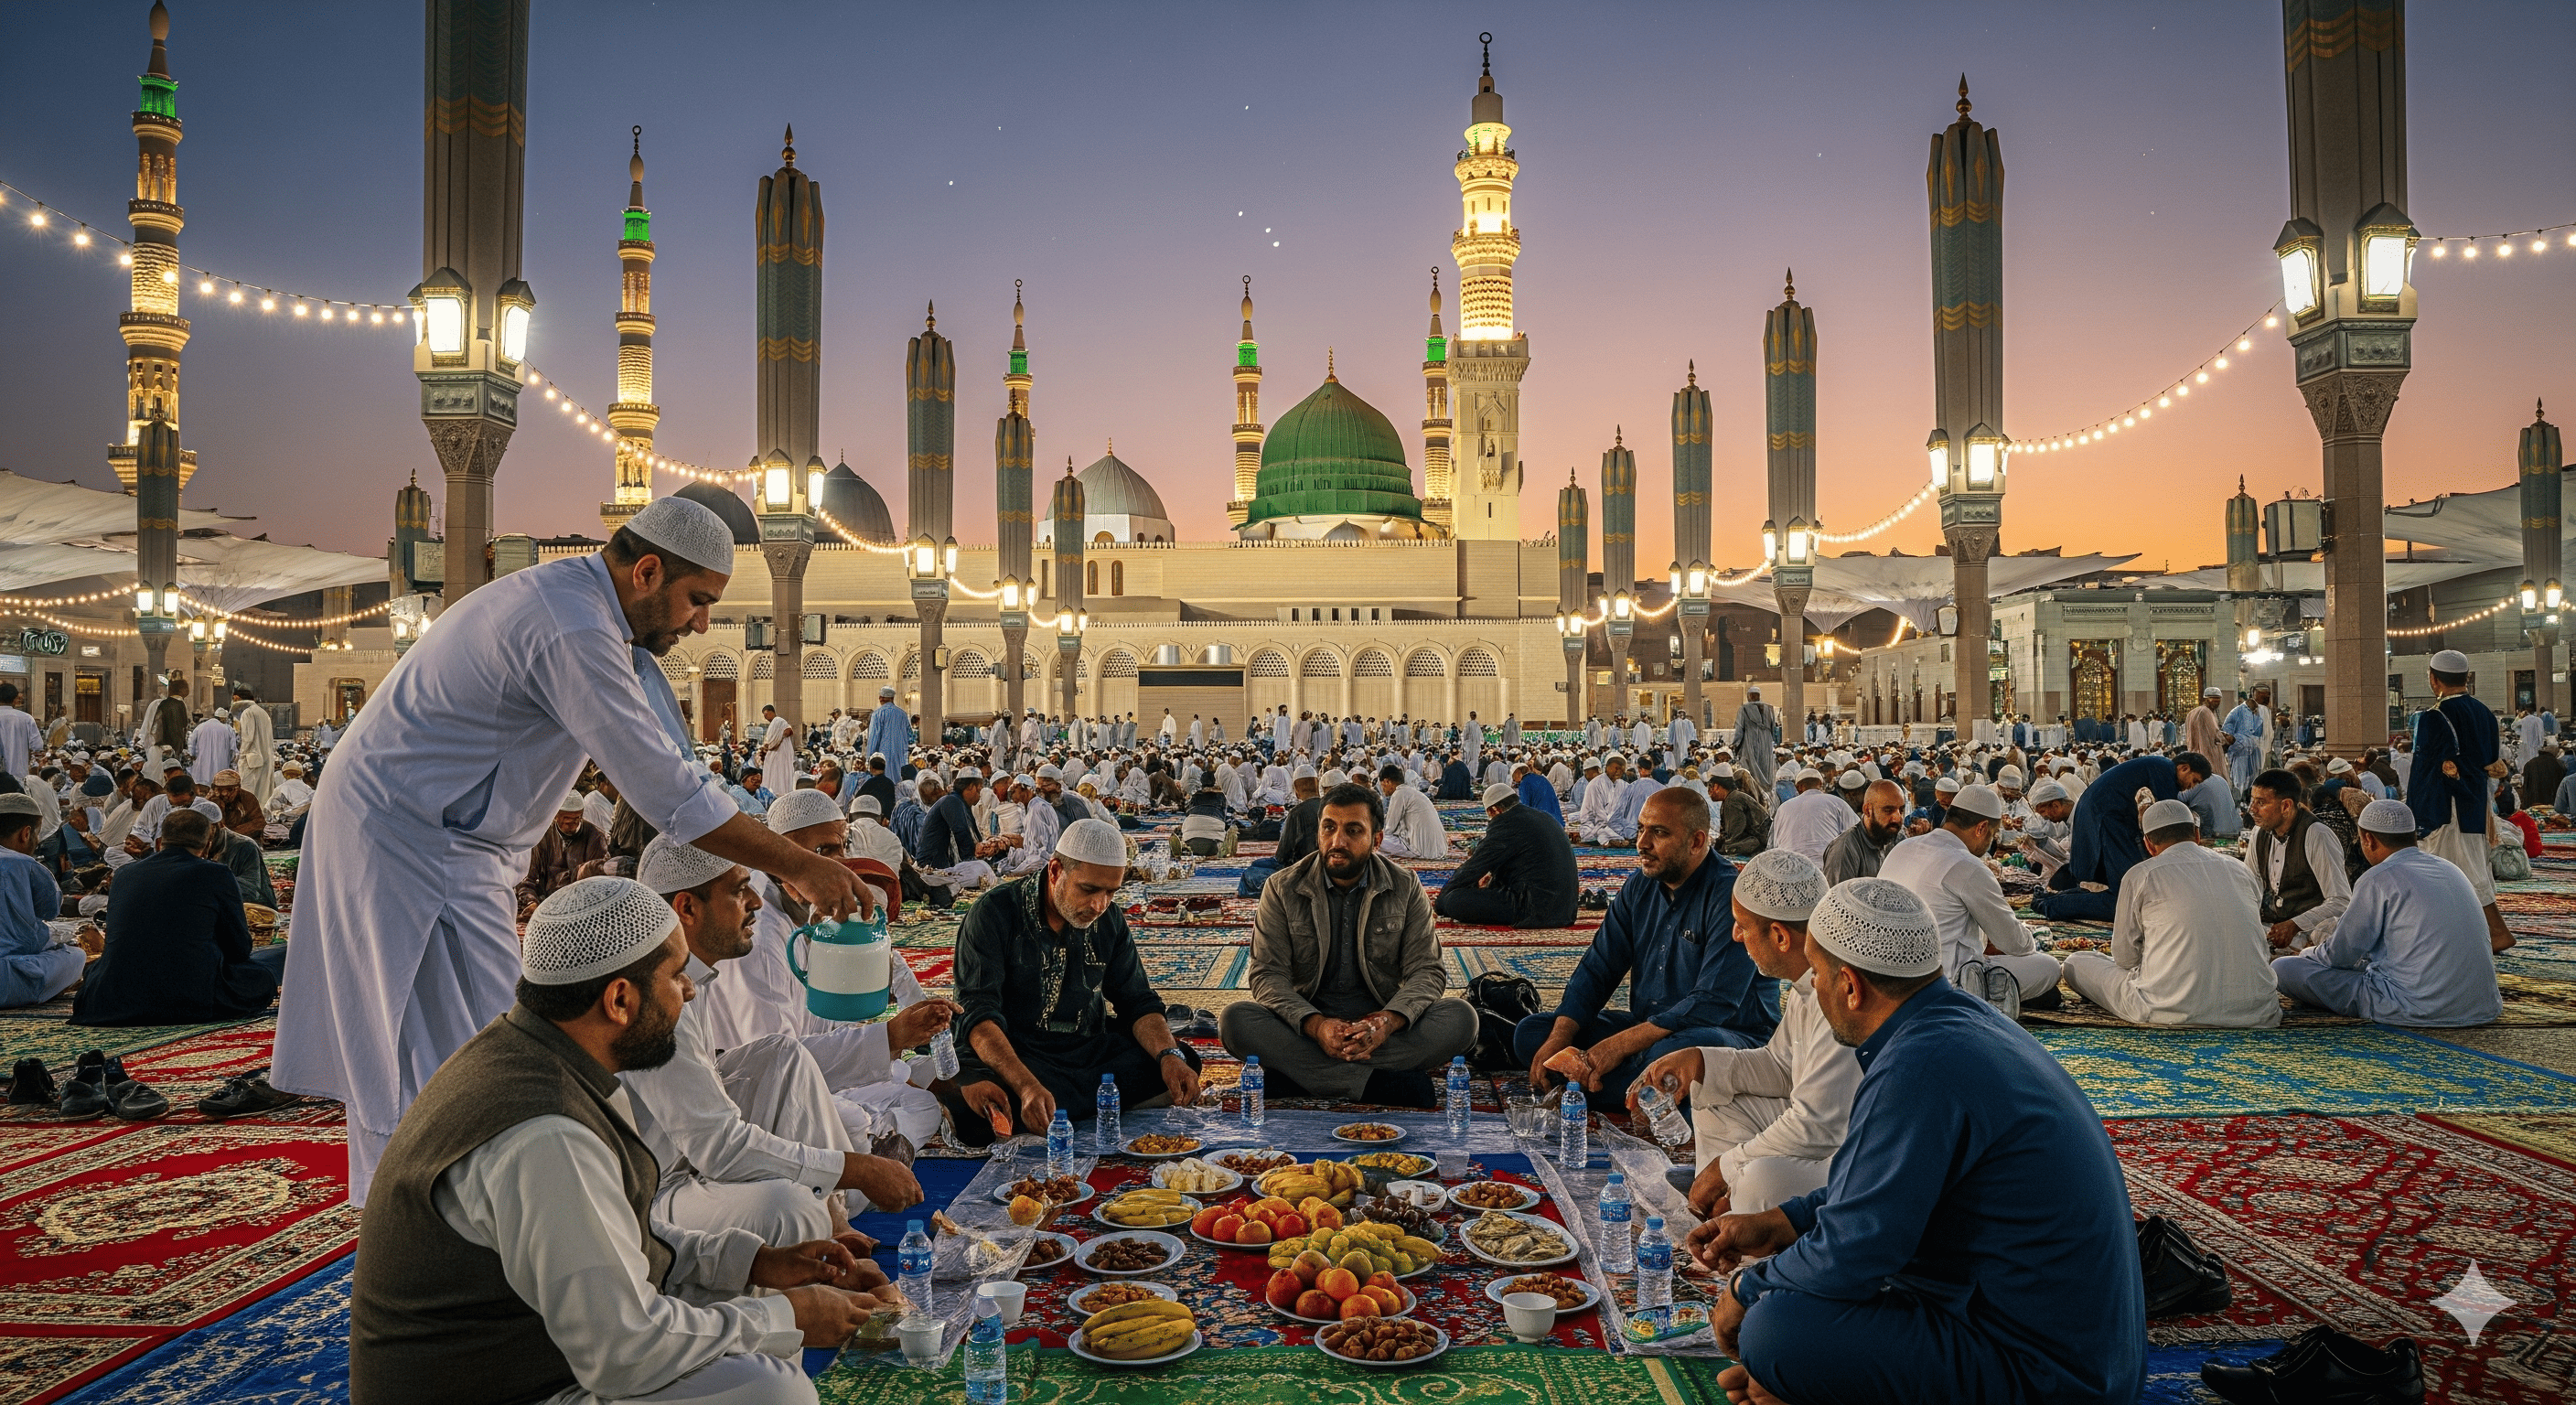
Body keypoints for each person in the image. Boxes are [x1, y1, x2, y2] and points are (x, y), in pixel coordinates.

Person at [274, 497, 866, 1206]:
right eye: (698, 601)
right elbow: (665, 790)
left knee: (496, 1048)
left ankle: (488, 1219)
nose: (704, 623)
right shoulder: (570, 626)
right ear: (647, 572)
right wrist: (796, 863)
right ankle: (432, 1228)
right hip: (407, 841)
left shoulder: (582, 613)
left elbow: (674, 767)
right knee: (439, 1056)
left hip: (455, 847)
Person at [349, 878, 891, 1405]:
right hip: (511, 1387)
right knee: (768, 1392)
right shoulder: (545, 1134)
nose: (690, 990)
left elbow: (623, 1240)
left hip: (531, 1356)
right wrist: (789, 1315)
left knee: (748, 1320)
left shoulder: (534, 1057)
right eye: (676, 976)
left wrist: (757, 1263)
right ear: (618, 999)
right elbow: (625, 1350)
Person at [1690, 878, 2145, 1405]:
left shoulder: (1918, 1063)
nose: (1812, 987)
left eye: (1817, 974)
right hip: (2078, 1354)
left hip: (2045, 1375)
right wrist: (1784, 1222)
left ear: (1851, 987)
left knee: (1777, 1330)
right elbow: (1883, 1191)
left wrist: (1746, 1290)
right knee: (1797, 1316)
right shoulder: (1956, 1026)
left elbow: (1856, 1252)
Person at [623, 838, 933, 1248]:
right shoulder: (657, 998)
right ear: (687, 908)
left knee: (783, 1056)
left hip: (699, 1148)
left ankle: (836, 1221)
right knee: (787, 1207)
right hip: (655, 1192)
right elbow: (720, 1147)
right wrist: (854, 1168)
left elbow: (754, 1066)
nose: (756, 900)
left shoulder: (694, 972)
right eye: (739, 890)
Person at [938, 818, 1202, 1147]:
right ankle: (1053, 1105)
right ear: (1054, 871)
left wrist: (1168, 1055)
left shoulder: (1110, 920)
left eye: (1110, 892)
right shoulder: (994, 913)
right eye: (1089, 890)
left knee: (1181, 1059)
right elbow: (979, 1017)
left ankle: (1045, 1111)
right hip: (1015, 1052)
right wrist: (1026, 1086)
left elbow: (1137, 1001)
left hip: (1083, 1050)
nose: (1099, 905)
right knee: (976, 1100)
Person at [1633, 850, 1858, 1218]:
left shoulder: (1838, 996)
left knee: (1762, 1181)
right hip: (1825, 1130)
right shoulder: (1806, 985)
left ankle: (1741, 1208)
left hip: (1851, 1150)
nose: (1735, 936)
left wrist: (1726, 1167)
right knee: (1713, 1090)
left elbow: (1817, 1126)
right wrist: (1701, 1061)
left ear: (1780, 937)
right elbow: (1783, 1068)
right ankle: (1730, 1204)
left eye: (1742, 925)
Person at [1517, 788, 1775, 1109]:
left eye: (1659, 833)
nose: (1642, 843)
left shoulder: (1732, 896)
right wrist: (1560, 1039)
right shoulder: (1640, 885)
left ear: (1696, 842)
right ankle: (1638, 1091)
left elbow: (1714, 1001)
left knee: (1684, 1051)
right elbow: (1598, 968)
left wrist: (1618, 1046)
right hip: (1647, 1029)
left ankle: (1594, 1087)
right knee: (1534, 1032)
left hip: (1725, 1035)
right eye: (1641, 829)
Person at [1221, 782, 1476, 1106]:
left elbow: (1427, 971)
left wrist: (1385, 1022)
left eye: (1353, 831)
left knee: (1461, 1019)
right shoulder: (1282, 887)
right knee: (1235, 1021)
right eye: (1329, 828)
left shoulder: (1405, 886)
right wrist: (1316, 1026)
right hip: (1307, 1026)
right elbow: (1266, 976)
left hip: (1382, 1027)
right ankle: (1379, 1084)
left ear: (1377, 840)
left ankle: (1302, 1076)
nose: (1337, 842)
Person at [2271, 799, 2502, 1027]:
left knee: (2283, 968)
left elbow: (2338, 956)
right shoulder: (2451, 869)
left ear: (2368, 839)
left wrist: (2308, 953)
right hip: (2483, 1006)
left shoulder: (2378, 878)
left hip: (2413, 1006)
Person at [2059, 799, 2281, 1028]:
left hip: (2167, 1009)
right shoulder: (2240, 868)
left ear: (2148, 844)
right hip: (2257, 1010)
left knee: (2077, 962)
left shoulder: (2142, 874)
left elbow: (2125, 958)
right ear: (2196, 834)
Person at [73, 810, 282, 1025]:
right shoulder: (217, 874)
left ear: (160, 842)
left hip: (112, 999)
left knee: (98, 969)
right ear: (208, 845)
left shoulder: (124, 874)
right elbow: (239, 950)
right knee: (266, 971)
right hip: (190, 997)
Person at [1879, 783, 2062, 1012]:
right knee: (2049, 967)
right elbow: (2017, 944)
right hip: (1942, 984)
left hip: (1887, 980)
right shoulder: (1967, 865)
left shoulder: (1902, 848)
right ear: (1981, 828)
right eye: (1993, 834)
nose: (1990, 843)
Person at [2407, 649, 2513, 953]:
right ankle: (2457, 935)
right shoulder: (2484, 713)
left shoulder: (2434, 716)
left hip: (2446, 805)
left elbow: (2424, 767)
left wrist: (2418, 812)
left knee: (2461, 870)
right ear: (2466, 678)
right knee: (2468, 866)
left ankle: (2498, 932)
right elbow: (2491, 761)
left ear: (2433, 678)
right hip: (2475, 803)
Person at [2030, 752, 2182, 923]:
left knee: (2124, 893)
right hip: (2109, 823)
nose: (2192, 786)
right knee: (2123, 900)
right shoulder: (2164, 771)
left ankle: (2048, 901)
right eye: (2195, 780)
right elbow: (2170, 812)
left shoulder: (2155, 767)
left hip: (2110, 822)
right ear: (2184, 768)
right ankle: (2050, 905)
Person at [1435, 784, 1581, 929]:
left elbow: (1474, 867)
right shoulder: (1541, 817)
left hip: (1534, 910)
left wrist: (1441, 902)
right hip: (1566, 910)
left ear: (1494, 810)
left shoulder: (1505, 823)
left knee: (1454, 901)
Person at [2245, 768, 2353, 953]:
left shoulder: (2317, 835)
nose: (2251, 809)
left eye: (2260, 803)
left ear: (2286, 806)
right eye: (2252, 801)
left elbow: (2341, 900)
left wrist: (2295, 924)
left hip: (2309, 937)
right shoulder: (2259, 832)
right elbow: (2249, 884)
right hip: (2270, 931)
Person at [0, 795, 82, 1007]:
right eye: (37, 834)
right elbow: (49, 912)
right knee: (75, 956)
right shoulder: (26, 865)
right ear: (26, 833)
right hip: (5, 980)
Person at [519, 794, 613, 917]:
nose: (573, 824)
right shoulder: (541, 837)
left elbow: (598, 885)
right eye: (567, 821)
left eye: (577, 819)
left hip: (582, 910)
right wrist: (531, 902)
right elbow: (527, 879)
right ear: (555, 816)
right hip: (546, 906)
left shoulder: (596, 838)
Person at [1819, 779, 1905, 884]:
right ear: (1868, 810)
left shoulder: (1896, 838)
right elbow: (1836, 898)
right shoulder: (1845, 849)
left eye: (1901, 810)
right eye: (1888, 810)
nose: (1897, 818)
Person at [1769, 767, 1856, 865]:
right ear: (1820, 784)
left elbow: (1772, 845)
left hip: (1791, 868)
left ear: (1798, 787)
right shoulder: (1837, 802)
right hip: (1828, 868)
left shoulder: (1783, 808)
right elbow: (1857, 833)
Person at [1374, 763, 1450, 860]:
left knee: (1375, 838)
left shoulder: (1399, 794)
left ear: (1387, 781)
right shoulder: (1411, 792)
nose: (1383, 789)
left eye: (1382, 785)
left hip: (1423, 851)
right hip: (1440, 849)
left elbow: (1389, 829)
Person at [2172, 751, 2241, 840]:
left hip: (2214, 836)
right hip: (2234, 831)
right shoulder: (2220, 779)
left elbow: (2175, 802)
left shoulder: (2195, 782)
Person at [1733, 689, 1780, 802]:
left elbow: (1739, 729)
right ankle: (1768, 795)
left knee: (1752, 768)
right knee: (1766, 767)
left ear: (1750, 696)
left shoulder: (1744, 709)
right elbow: (1774, 729)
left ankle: (1755, 795)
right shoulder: (1769, 709)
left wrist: (1736, 744)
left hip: (1751, 740)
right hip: (1766, 742)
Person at [1709, 767, 1767, 857]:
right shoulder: (1731, 798)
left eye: (1710, 787)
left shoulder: (1732, 801)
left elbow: (1735, 838)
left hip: (1761, 845)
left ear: (1716, 786)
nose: (1709, 792)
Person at [233, 687, 278, 804]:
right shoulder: (262, 712)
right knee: (263, 794)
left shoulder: (247, 713)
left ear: (238, 699)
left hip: (251, 761)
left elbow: (248, 739)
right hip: (265, 759)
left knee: (249, 794)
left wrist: (241, 757)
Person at [188, 705, 237, 786]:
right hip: (221, 765)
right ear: (222, 718)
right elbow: (233, 749)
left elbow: (191, 742)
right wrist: (231, 761)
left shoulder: (200, 727)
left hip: (202, 768)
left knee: (203, 788)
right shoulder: (228, 729)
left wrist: (193, 755)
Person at [2184, 686, 2225, 767]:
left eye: (2218, 699)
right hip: (2209, 757)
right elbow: (2214, 735)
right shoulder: (2205, 712)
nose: (2216, 702)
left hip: (2195, 755)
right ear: (2206, 699)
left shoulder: (2193, 712)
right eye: (2213, 699)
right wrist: (2225, 738)